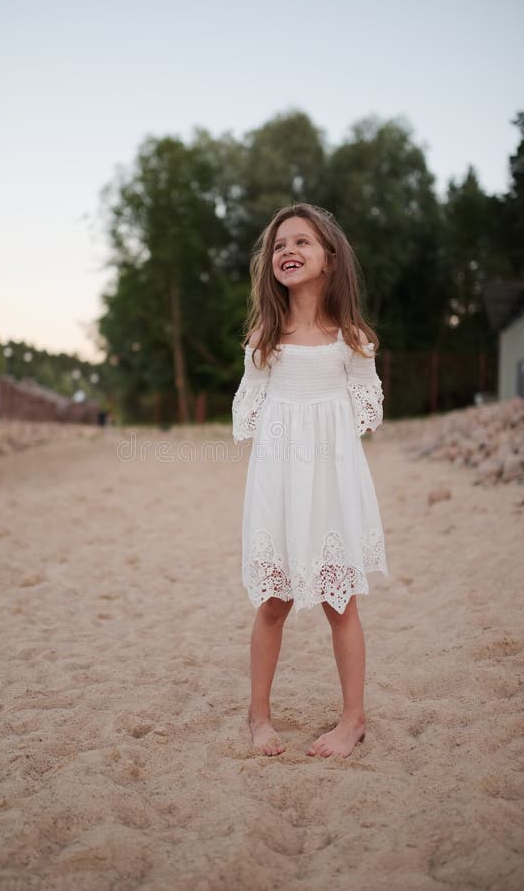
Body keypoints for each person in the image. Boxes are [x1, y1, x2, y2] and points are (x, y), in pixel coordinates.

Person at [232, 203, 389, 759]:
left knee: (339, 602)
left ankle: (353, 720)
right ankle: (259, 716)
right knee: (272, 600)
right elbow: (248, 420)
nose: (287, 251)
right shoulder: (264, 341)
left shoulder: (351, 339)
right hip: (278, 483)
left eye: (301, 242)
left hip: (332, 484)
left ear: (330, 258)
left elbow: (364, 415)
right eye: (278, 245)